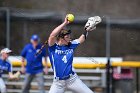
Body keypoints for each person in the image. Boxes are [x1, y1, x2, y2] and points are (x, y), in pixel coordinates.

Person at [48, 16, 97, 93]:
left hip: (72, 80)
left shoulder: (71, 45)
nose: (69, 38)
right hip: (58, 83)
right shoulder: (53, 47)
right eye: (67, 37)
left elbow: (82, 39)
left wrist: (86, 30)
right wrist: (65, 23)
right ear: (61, 39)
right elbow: (52, 35)